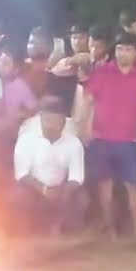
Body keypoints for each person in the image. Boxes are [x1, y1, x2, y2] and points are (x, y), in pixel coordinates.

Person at [82, 32, 136, 241]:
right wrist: (83, 127)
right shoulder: (102, 72)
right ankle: (110, 228)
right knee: (104, 185)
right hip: (101, 138)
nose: (122, 53)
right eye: (119, 49)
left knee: (132, 186)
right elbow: (87, 100)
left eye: (127, 49)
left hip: (129, 140)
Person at [11, 95, 87, 235]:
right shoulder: (26, 139)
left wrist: (64, 190)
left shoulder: (74, 143)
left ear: (64, 122)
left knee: (82, 199)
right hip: (33, 187)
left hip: (61, 186)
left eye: (56, 121)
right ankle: (25, 231)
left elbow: (76, 177)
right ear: (40, 119)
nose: (51, 125)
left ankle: (58, 229)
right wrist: (43, 189)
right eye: (47, 120)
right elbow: (21, 174)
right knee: (18, 195)